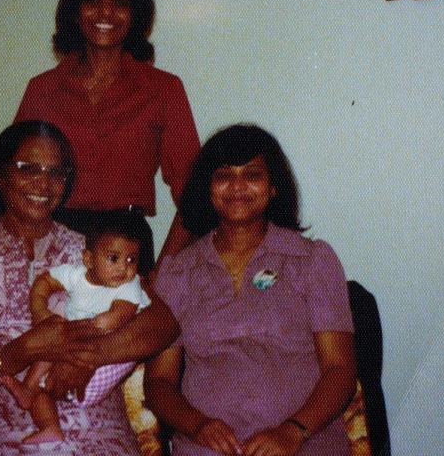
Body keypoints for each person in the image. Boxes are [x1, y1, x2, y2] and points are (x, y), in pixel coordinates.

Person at [0, 121, 179, 456]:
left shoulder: (94, 251)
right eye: (28, 168)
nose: (43, 182)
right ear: (0, 177)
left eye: (56, 172)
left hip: (99, 434)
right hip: (8, 435)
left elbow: (164, 324)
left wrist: (90, 356)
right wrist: (24, 349)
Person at [144, 124, 357, 456]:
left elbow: (340, 369)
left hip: (302, 444)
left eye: (252, 174)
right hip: (208, 448)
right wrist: (197, 425)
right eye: (224, 175)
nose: (237, 186)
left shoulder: (312, 261)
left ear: (273, 187)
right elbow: (159, 382)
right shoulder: (177, 273)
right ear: (207, 188)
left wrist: (293, 431)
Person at [14, 0, 200, 266]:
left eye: (120, 2)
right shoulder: (43, 89)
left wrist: (161, 273)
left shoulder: (163, 90)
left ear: (135, 15)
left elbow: (196, 195)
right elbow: (9, 179)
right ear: (75, 11)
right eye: (93, 0)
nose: (106, 11)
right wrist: (23, 248)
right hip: (51, 243)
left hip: (126, 245)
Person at [0, 211, 153, 445]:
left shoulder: (128, 285)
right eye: (113, 258)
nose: (123, 268)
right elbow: (45, 282)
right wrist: (41, 311)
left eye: (131, 259)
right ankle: (48, 423)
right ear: (89, 259)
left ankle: (30, 387)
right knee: (47, 361)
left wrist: (89, 327)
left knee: (59, 337)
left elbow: (121, 315)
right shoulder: (77, 275)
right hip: (74, 355)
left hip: (104, 359)